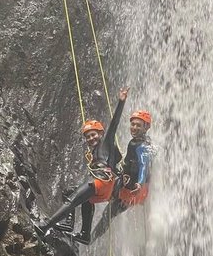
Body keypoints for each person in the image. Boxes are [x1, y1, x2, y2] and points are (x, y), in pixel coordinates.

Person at [36, 88, 129, 244]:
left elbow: (114, 123)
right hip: (105, 188)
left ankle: (45, 226)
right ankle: (85, 234)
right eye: (87, 136)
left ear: (101, 134)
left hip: (101, 181)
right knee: (82, 197)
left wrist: (121, 101)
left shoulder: (106, 143)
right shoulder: (100, 152)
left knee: (72, 199)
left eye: (93, 134)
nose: (91, 138)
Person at [91, 108, 153, 242]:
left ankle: (90, 239)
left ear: (146, 127)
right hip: (126, 184)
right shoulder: (136, 142)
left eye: (138, 125)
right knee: (106, 208)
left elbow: (144, 165)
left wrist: (140, 183)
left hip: (133, 191)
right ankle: (89, 237)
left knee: (108, 214)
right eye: (133, 124)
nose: (134, 127)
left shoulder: (143, 146)